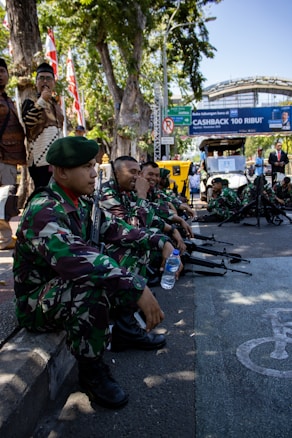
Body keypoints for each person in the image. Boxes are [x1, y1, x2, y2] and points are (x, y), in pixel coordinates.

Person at [13, 136, 165, 409]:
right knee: (92, 285)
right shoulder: (43, 209)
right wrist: (137, 286)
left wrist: (160, 241)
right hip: (37, 303)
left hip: (60, 291)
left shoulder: (82, 205)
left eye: (94, 165)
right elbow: (75, 261)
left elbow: (121, 230)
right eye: (86, 167)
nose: (95, 173)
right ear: (61, 172)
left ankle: (123, 329)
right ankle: (92, 372)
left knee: (123, 257)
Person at [22, 62, 64, 188]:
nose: (45, 81)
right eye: (41, 78)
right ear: (36, 83)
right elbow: (28, 122)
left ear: (54, 83)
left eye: (48, 78)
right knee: (43, 195)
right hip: (40, 161)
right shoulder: (29, 102)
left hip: (57, 160)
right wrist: (42, 101)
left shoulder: (56, 106)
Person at [0, 58, 26, 250]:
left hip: (9, 158)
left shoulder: (8, 100)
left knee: (6, 198)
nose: (0, 75)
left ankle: (5, 238)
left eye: (2, 71)